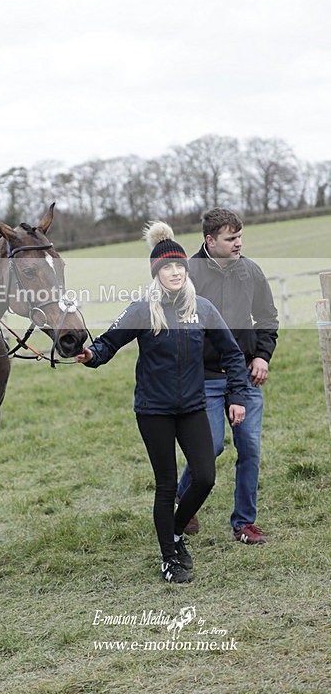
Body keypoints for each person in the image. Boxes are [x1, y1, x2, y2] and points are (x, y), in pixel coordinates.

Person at [75, 223, 248, 583]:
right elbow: (107, 345)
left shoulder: (203, 309)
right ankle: (169, 558)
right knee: (166, 483)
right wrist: (90, 355)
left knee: (204, 476)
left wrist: (237, 396)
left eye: (179, 267)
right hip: (153, 411)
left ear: (186, 270)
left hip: (192, 407)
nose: (174, 272)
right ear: (156, 273)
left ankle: (172, 532)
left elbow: (233, 356)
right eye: (167, 268)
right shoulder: (142, 309)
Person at [176, 207, 279, 544]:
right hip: (204, 378)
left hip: (245, 376)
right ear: (210, 240)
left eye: (240, 237)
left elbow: (267, 318)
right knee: (211, 448)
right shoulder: (187, 275)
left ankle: (244, 525)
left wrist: (262, 355)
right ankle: (184, 500)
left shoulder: (251, 271)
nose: (238, 244)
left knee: (249, 448)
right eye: (230, 238)